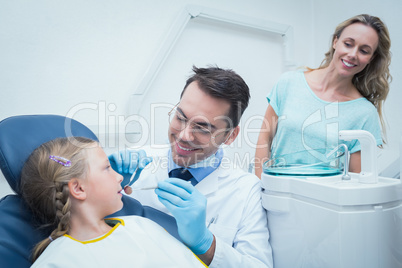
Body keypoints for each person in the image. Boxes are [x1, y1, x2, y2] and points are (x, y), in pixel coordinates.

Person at [110, 66, 273, 267]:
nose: (184, 136)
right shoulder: (136, 162)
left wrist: (204, 243)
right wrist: (107, 191)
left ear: (231, 136)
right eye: (180, 117)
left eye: (202, 128)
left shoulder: (247, 191)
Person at [20, 137, 207, 267]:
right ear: (78, 189)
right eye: (107, 168)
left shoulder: (142, 225)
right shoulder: (57, 261)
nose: (119, 177)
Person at [255, 14, 392, 178]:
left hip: (323, 202)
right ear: (335, 42)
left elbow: (357, 181)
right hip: (276, 195)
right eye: (348, 44)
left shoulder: (365, 113)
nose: (353, 54)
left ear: (371, 58)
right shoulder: (289, 82)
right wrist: (260, 186)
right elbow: (264, 138)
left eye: (364, 50)